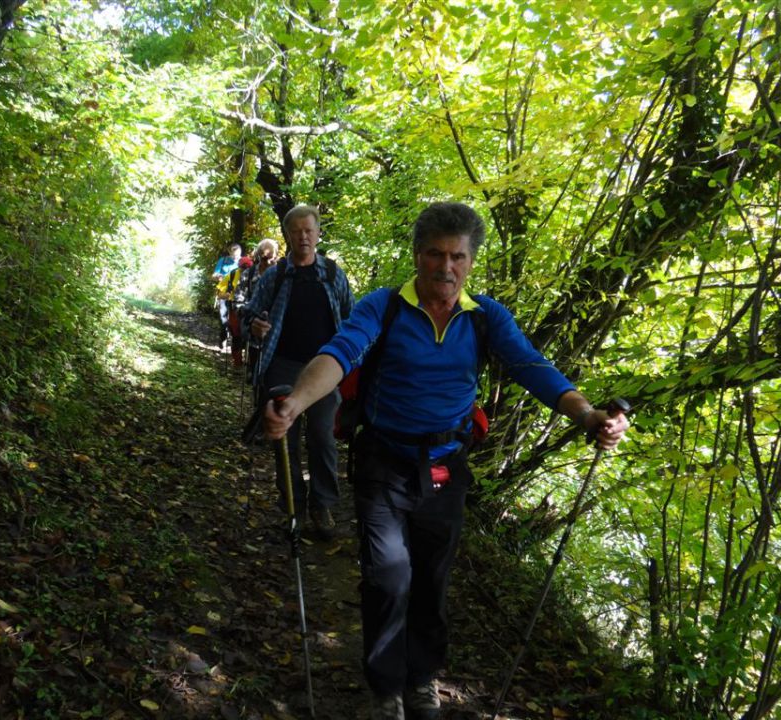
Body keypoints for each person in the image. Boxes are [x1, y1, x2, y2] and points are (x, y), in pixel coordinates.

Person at [263, 202, 629, 720]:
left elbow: (531, 366)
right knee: (388, 576)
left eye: (458, 256)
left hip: (444, 465)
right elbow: (340, 352)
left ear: (471, 262)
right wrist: (297, 403)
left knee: (432, 580)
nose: (446, 267)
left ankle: (422, 678)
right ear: (417, 256)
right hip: (382, 460)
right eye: (435, 254)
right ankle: (386, 688)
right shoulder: (384, 307)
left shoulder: (486, 318)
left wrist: (587, 414)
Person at [244, 206, 354, 538]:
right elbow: (250, 316)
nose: (303, 236)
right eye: (296, 231)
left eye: (309, 230)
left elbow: (352, 320)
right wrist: (256, 327)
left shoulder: (333, 275)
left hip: (324, 370)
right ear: (288, 235)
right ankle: (294, 508)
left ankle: (323, 506)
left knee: (322, 436)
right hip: (282, 365)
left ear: (318, 233)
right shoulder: (274, 276)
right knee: (285, 441)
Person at [239, 239, 280, 382]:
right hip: (253, 323)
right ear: (258, 256)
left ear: (276, 256)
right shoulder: (248, 274)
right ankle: (253, 372)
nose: (268, 262)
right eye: (264, 258)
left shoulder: (282, 276)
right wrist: (248, 313)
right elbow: (239, 298)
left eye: (271, 258)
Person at [216, 256, 254, 367]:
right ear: (239, 267)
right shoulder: (232, 275)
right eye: (242, 268)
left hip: (251, 308)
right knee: (236, 335)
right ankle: (237, 363)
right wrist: (226, 295)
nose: (244, 270)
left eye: (247, 267)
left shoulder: (255, 274)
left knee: (250, 337)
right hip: (234, 309)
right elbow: (219, 293)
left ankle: (250, 366)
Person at [212, 243, 243, 347]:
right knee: (223, 316)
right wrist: (218, 277)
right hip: (224, 292)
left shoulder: (243, 262)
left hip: (238, 294)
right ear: (229, 253)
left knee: (235, 317)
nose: (236, 258)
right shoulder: (223, 260)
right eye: (234, 256)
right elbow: (214, 275)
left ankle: (234, 340)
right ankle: (223, 337)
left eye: (238, 256)